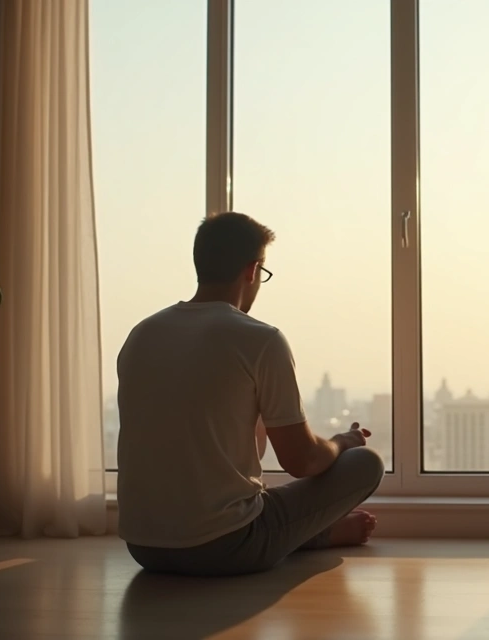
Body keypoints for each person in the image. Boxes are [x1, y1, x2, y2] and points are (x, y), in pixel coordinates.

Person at [115, 212, 384, 576]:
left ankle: (303, 532)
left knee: (248, 501)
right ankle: (315, 534)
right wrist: (341, 441)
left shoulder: (142, 334)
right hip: (225, 546)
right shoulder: (259, 339)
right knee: (366, 464)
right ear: (253, 270)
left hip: (144, 547)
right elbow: (301, 461)